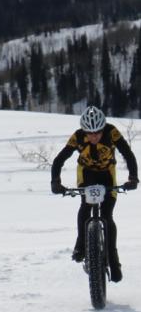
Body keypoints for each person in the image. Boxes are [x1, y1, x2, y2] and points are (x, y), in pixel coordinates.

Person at [51, 105, 138, 282]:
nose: (94, 136)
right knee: (85, 206)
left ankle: (113, 260)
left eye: (97, 132)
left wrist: (133, 178)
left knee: (107, 214)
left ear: (103, 128)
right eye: (89, 133)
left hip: (107, 173)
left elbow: (128, 154)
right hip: (87, 174)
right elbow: (59, 159)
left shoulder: (112, 132)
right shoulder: (77, 137)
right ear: (84, 131)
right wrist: (55, 182)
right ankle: (81, 245)